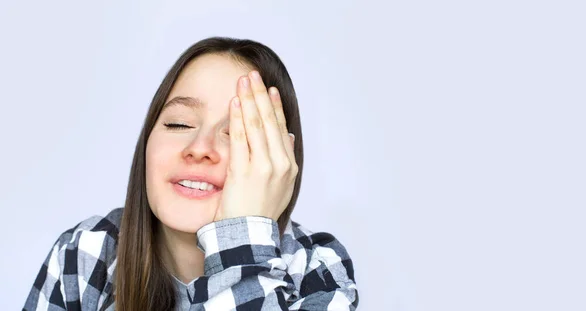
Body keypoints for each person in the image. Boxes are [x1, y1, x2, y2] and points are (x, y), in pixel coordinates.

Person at [23, 37, 358, 310]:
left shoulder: (317, 270)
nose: (199, 147)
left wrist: (242, 240)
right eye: (178, 123)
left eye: (235, 133)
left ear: (279, 160)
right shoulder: (86, 253)